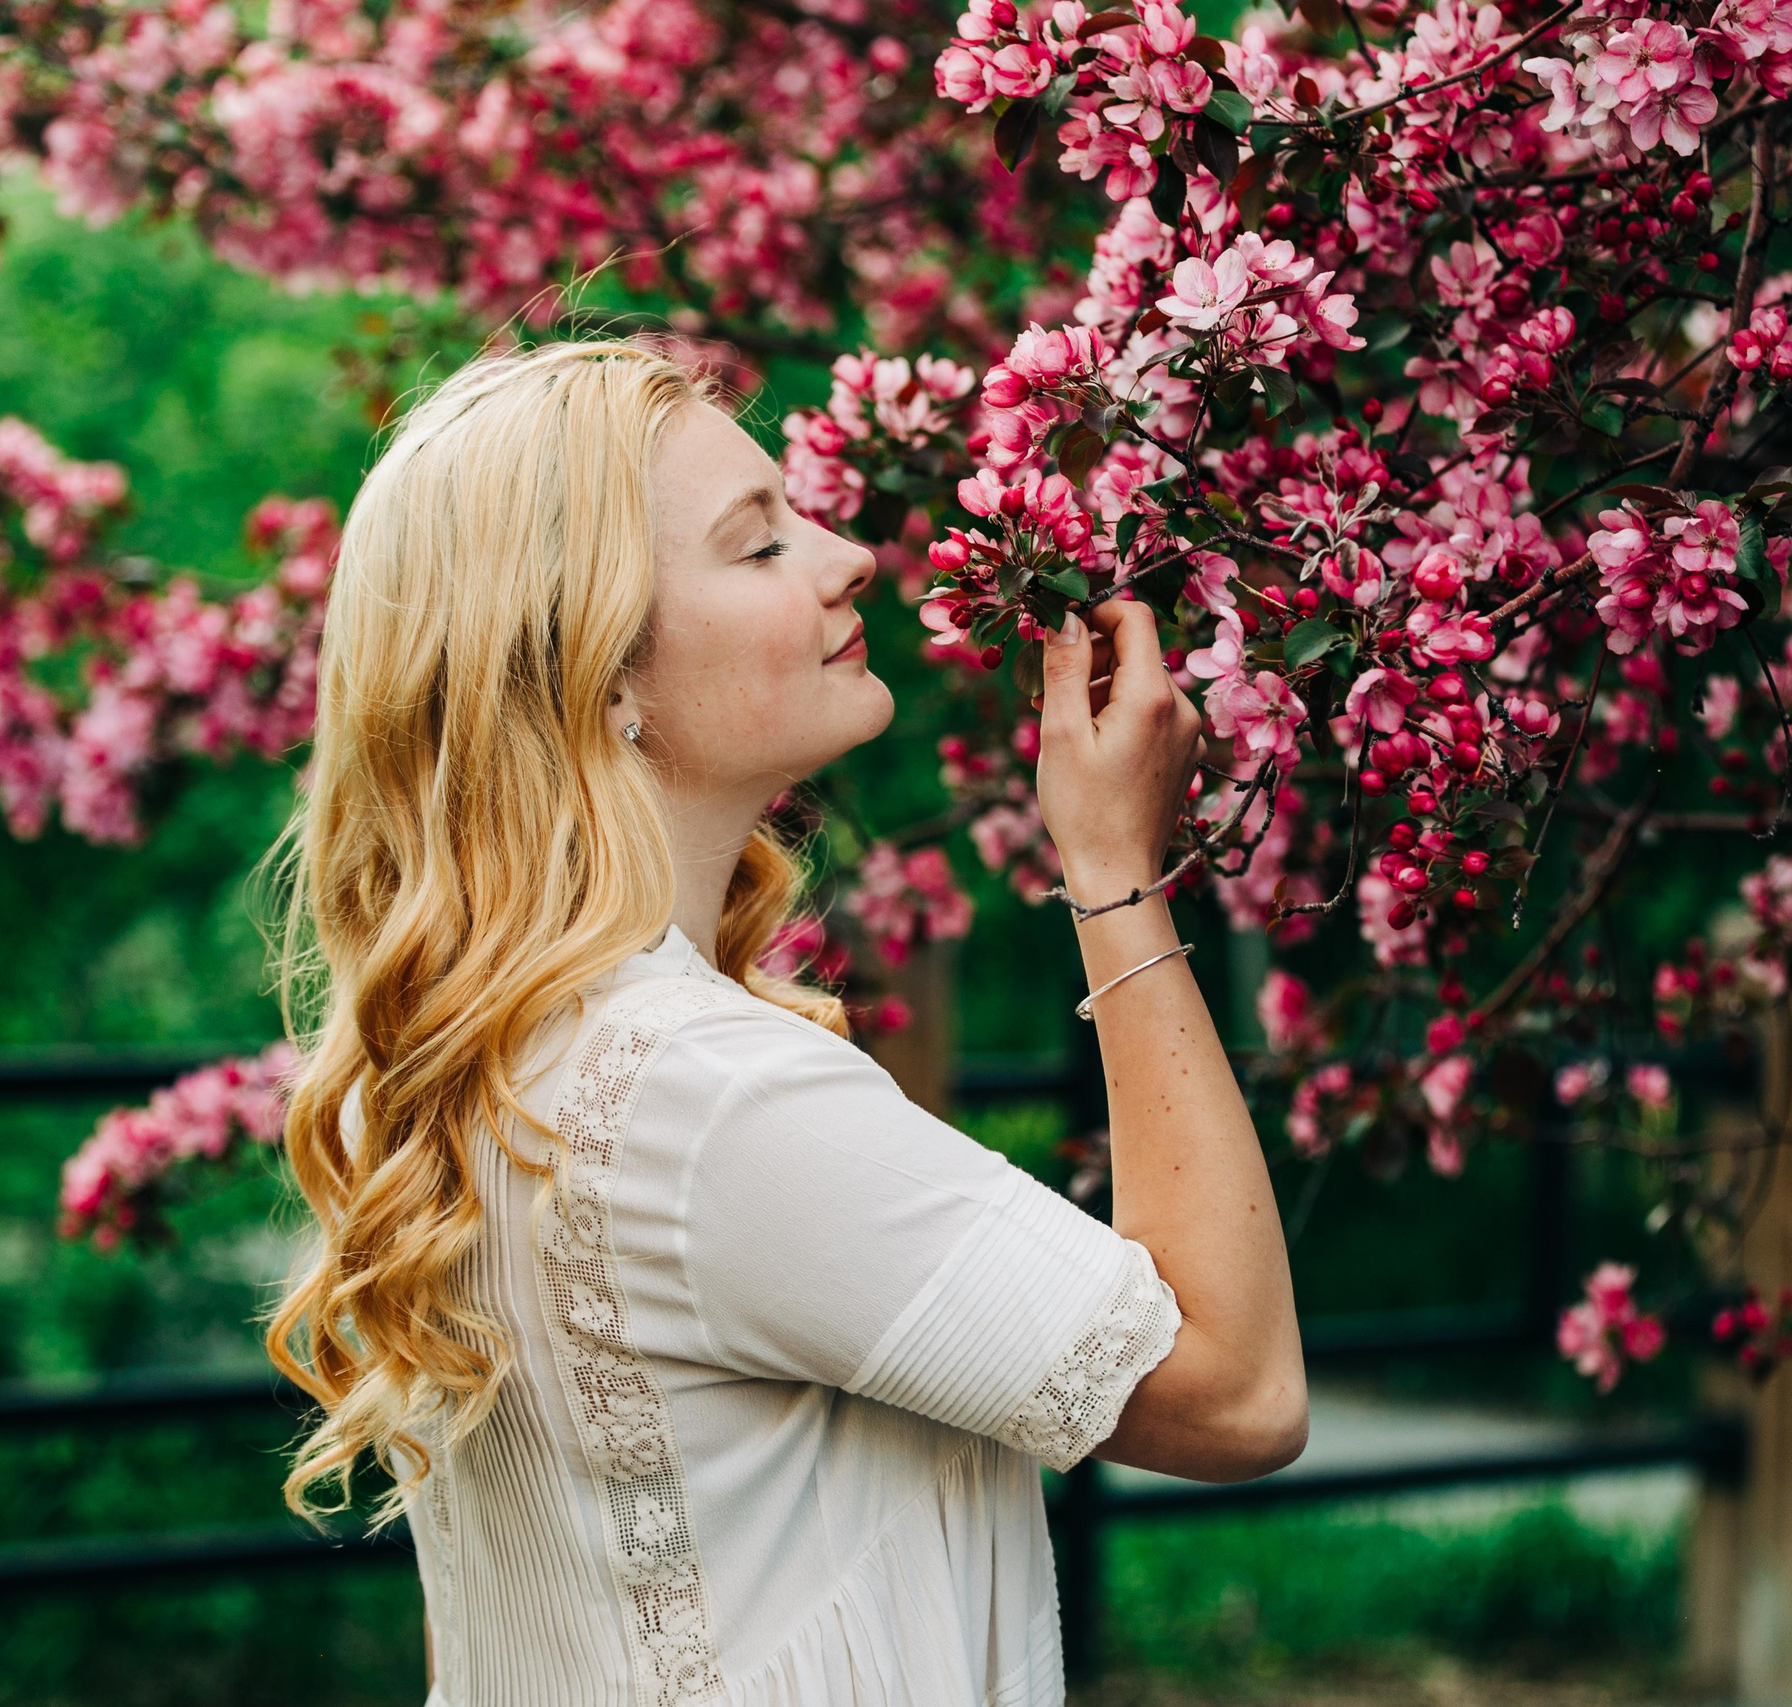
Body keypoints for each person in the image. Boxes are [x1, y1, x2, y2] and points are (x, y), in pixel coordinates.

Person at [264, 338, 1305, 1707]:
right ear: (603, 679)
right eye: (758, 549)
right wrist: (1115, 876)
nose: (846, 557)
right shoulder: (706, 1102)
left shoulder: (494, 1065)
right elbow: (1236, 1393)